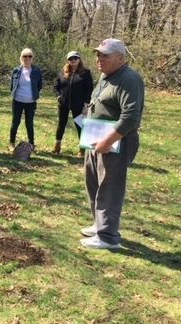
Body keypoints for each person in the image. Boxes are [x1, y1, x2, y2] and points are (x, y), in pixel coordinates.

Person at [80, 38, 144, 249]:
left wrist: (108, 141)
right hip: (95, 138)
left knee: (110, 187)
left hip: (115, 142)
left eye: (105, 55)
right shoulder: (107, 76)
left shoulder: (129, 79)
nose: (99, 58)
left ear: (120, 57)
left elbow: (131, 117)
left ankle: (107, 236)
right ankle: (100, 224)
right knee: (94, 183)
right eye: (98, 54)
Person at [53, 51, 93, 154]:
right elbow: (55, 87)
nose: (73, 60)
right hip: (64, 104)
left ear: (79, 59)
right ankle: (57, 146)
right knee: (61, 124)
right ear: (68, 60)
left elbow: (89, 89)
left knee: (80, 125)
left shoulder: (85, 73)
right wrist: (58, 97)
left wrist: (86, 104)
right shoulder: (63, 72)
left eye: (75, 58)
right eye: (71, 59)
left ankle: (82, 149)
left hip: (79, 105)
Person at [9, 48, 42, 150]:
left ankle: (31, 143)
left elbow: (39, 85)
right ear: (21, 58)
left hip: (30, 102)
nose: (27, 58)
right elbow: (12, 86)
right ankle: (11, 143)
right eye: (25, 56)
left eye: (29, 56)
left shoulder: (36, 71)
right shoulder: (16, 70)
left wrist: (33, 94)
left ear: (32, 58)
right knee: (15, 122)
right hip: (17, 101)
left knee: (29, 123)